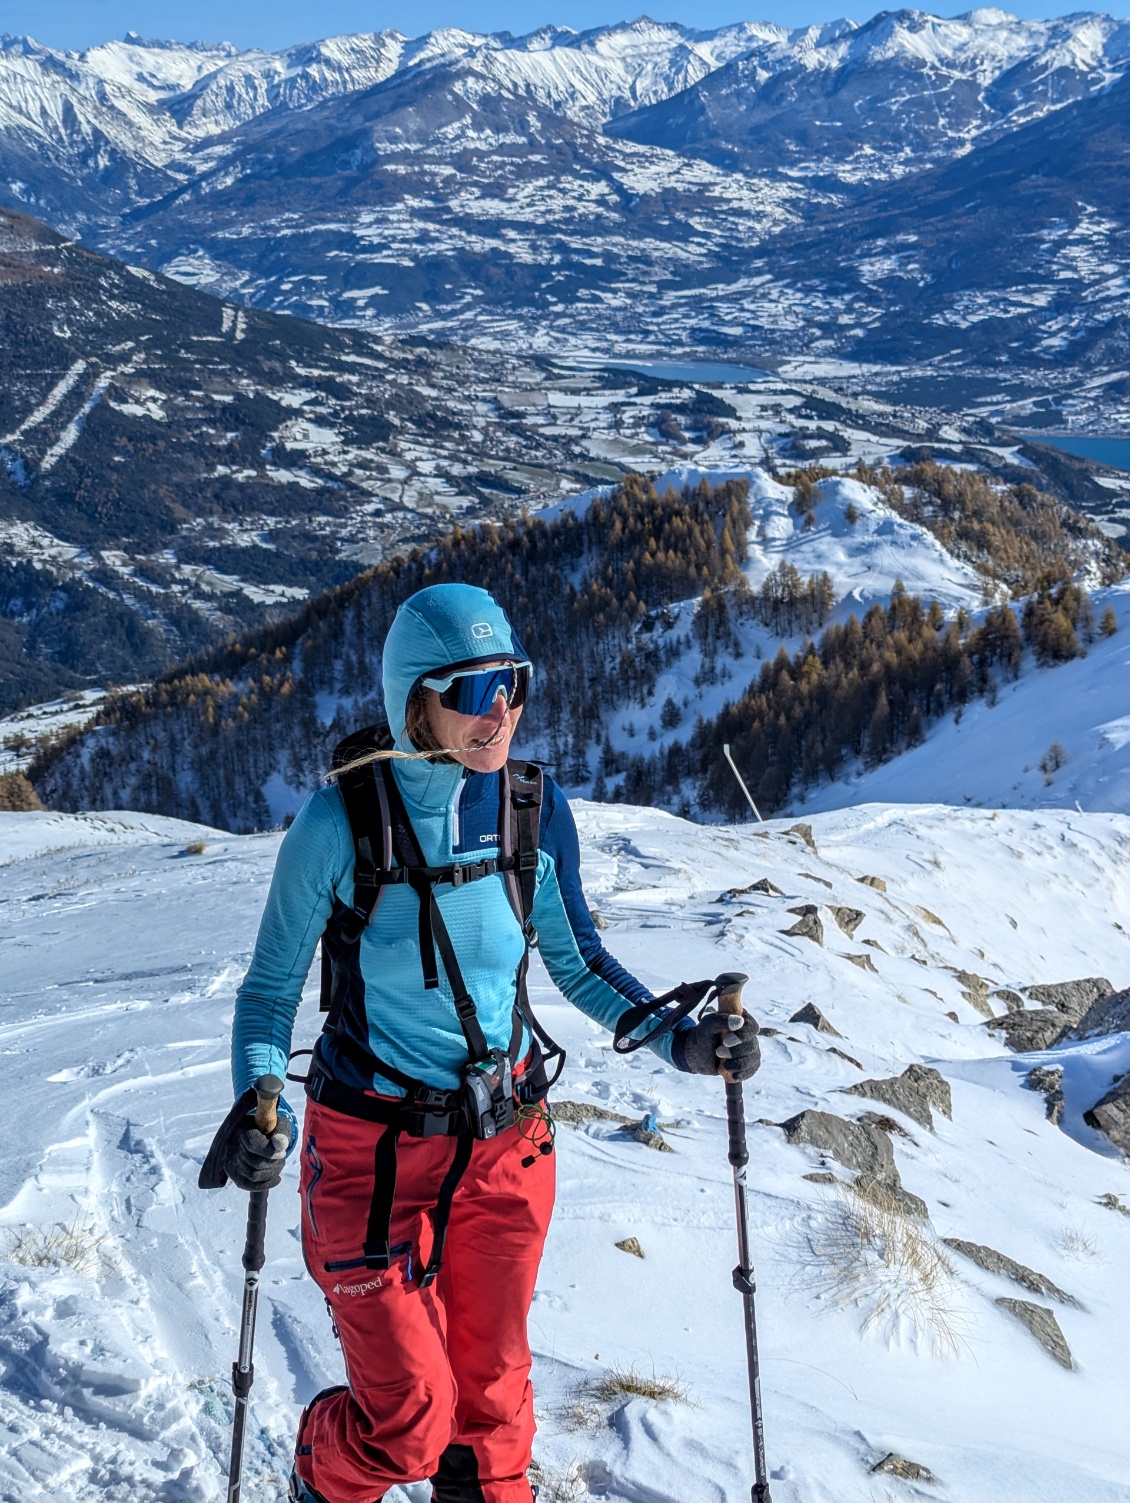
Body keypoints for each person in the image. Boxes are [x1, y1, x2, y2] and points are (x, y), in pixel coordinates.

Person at [216, 583, 761, 1503]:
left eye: (512, 682)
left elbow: (580, 960)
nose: (498, 709)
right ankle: (322, 1468)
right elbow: (268, 995)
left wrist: (686, 1043)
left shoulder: (528, 811)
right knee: (411, 1421)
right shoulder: (340, 825)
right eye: (470, 690)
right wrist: (258, 1099)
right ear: (412, 702)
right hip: (370, 1153)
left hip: (505, 1142)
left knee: (493, 1404)